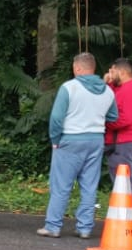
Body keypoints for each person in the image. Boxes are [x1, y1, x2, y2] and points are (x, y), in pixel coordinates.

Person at [37, 51, 117, 239]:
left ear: (78, 67)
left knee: (61, 185)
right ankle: (85, 228)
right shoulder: (107, 90)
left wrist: (55, 140)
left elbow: (56, 118)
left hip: (71, 139)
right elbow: (113, 116)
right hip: (96, 140)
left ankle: (53, 226)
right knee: (89, 185)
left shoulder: (69, 88)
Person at [104, 57, 132, 214]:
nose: (110, 73)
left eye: (112, 70)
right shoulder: (123, 87)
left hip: (128, 142)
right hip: (121, 141)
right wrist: (107, 82)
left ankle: (131, 218)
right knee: (121, 182)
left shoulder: (131, 89)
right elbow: (110, 96)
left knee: (127, 181)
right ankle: (125, 216)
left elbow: (126, 119)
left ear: (122, 72)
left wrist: (105, 122)